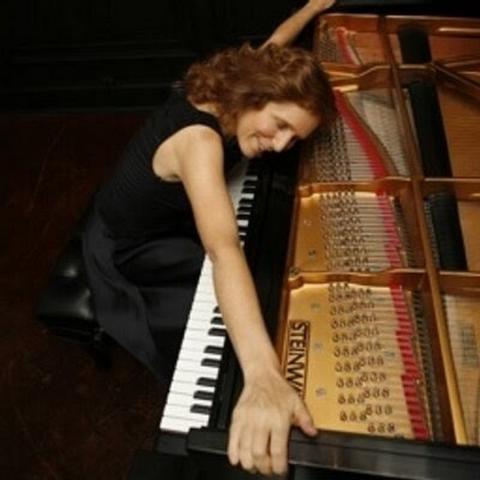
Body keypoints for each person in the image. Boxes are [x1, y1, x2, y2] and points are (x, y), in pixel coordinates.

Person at [82, 0, 337, 476]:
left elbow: (277, 40)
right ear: (258, 95)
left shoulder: (245, 82)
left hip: (160, 220)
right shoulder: (199, 142)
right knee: (212, 337)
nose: (281, 145)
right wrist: (262, 374)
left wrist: (312, 7)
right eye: (280, 126)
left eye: (294, 138)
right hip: (128, 248)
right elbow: (223, 251)